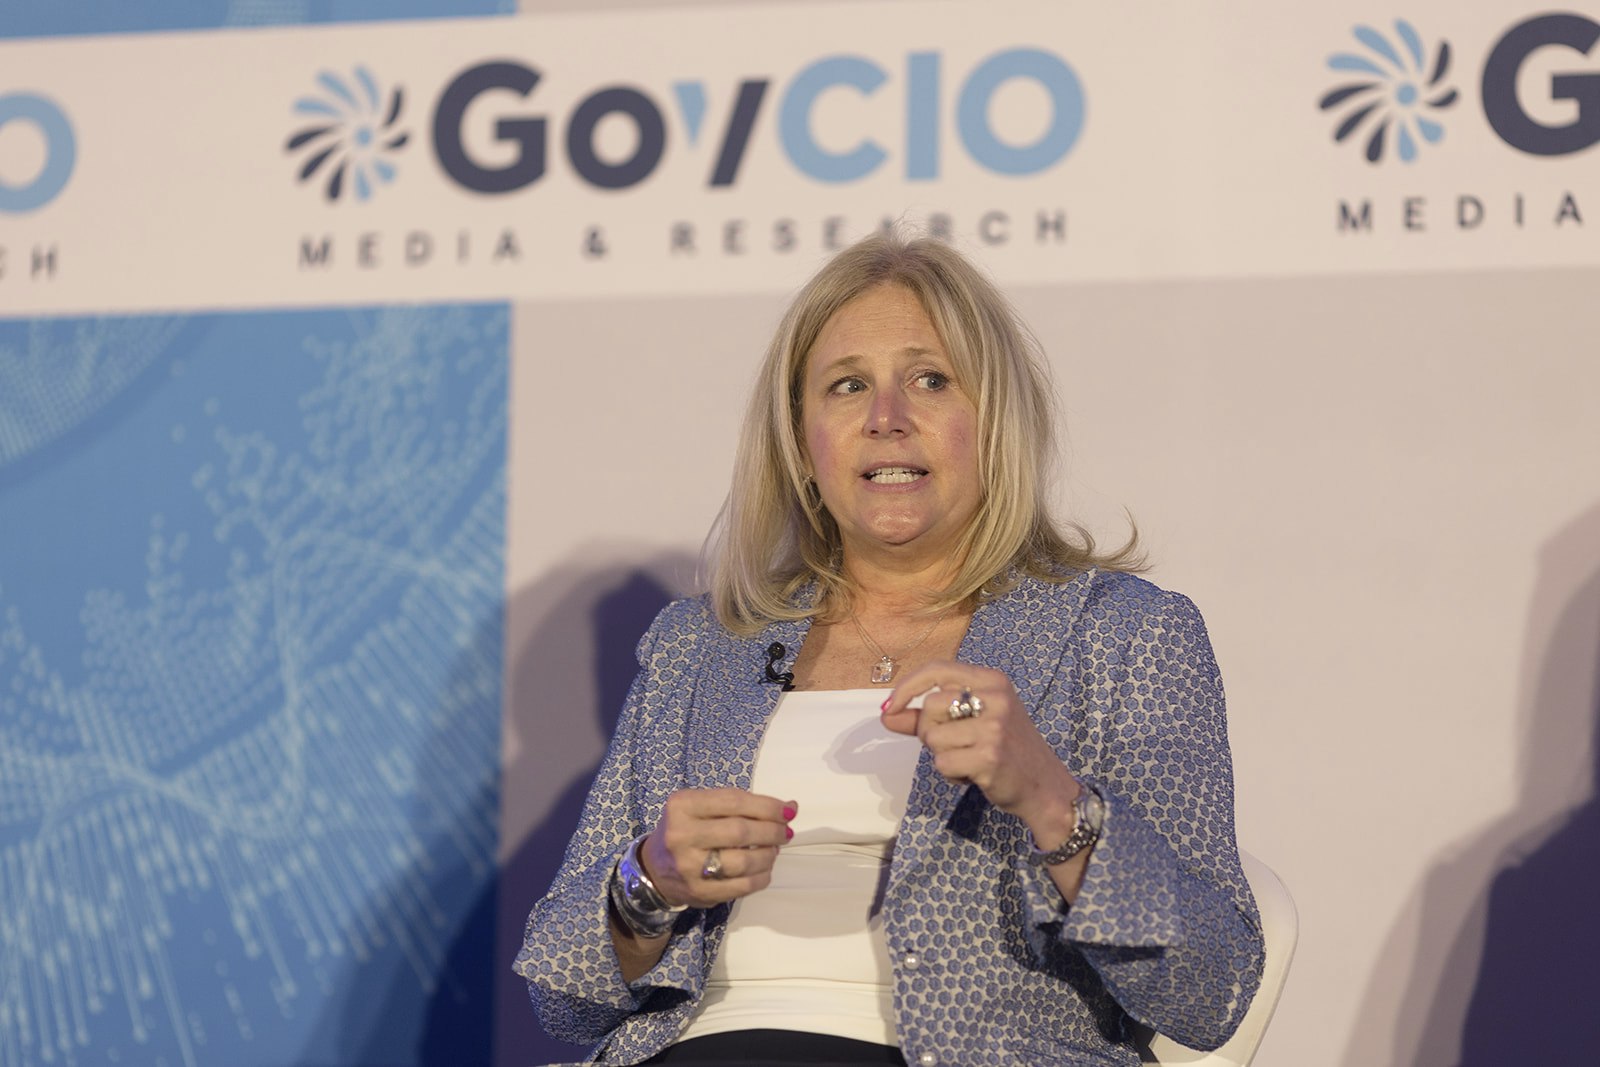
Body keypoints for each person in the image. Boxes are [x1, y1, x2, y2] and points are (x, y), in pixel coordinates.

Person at [514, 232, 1264, 1066]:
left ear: (994, 421)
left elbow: (1213, 988)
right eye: (847, 385)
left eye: (930, 379)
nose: (886, 418)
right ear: (802, 442)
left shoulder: (1123, 633)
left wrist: (1053, 801)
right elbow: (562, 994)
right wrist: (651, 879)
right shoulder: (701, 646)